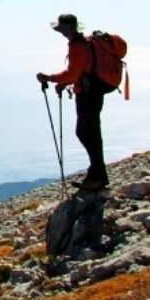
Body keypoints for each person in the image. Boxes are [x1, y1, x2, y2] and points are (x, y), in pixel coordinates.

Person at [37, 13, 110, 191]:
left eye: (61, 28)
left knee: (87, 133)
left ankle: (98, 177)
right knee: (89, 133)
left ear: (67, 28)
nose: (60, 31)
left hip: (87, 94)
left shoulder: (77, 46)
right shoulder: (85, 42)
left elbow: (73, 73)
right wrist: (65, 82)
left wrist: (50, 78)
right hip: (92, 90)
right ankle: (97, 174)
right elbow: (81, 70)